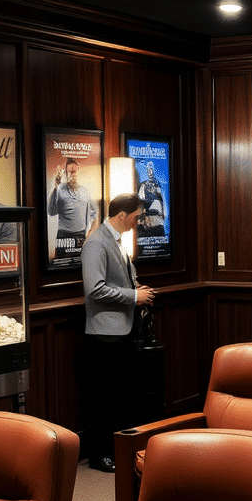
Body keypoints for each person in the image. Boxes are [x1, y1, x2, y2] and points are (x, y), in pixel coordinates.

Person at [79, 193, 156, 471]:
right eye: (136, 216)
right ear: (121, 214)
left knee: (119, 396)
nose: (139, 221)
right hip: (104, 334)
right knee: (103, 397)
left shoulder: (117, 241)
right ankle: (99, 455)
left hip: (121, 332)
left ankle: (116, 449)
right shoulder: (97, 243)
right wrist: (134, 296)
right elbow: (95, 289)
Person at [47, 157, 97, 259]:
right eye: (70, 171)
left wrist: (92, 230)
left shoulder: (85, 191)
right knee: (62, 266)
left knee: (81, 265)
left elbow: (95, 213)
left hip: (81, 236)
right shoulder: (60, 189)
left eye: (74, 171)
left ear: (79, 170)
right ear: (65, 173)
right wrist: (55, 187)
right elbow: (51, 211)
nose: (72, 174)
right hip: (64, 237)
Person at [137, 161, 166, 238]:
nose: (150, 171)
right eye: (148, 169)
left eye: (151, 169)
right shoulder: (143, 184)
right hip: (147, 219)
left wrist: (162, 215)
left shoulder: (157, 184)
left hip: (157, 220)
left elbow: (161, 200)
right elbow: (140, 201)